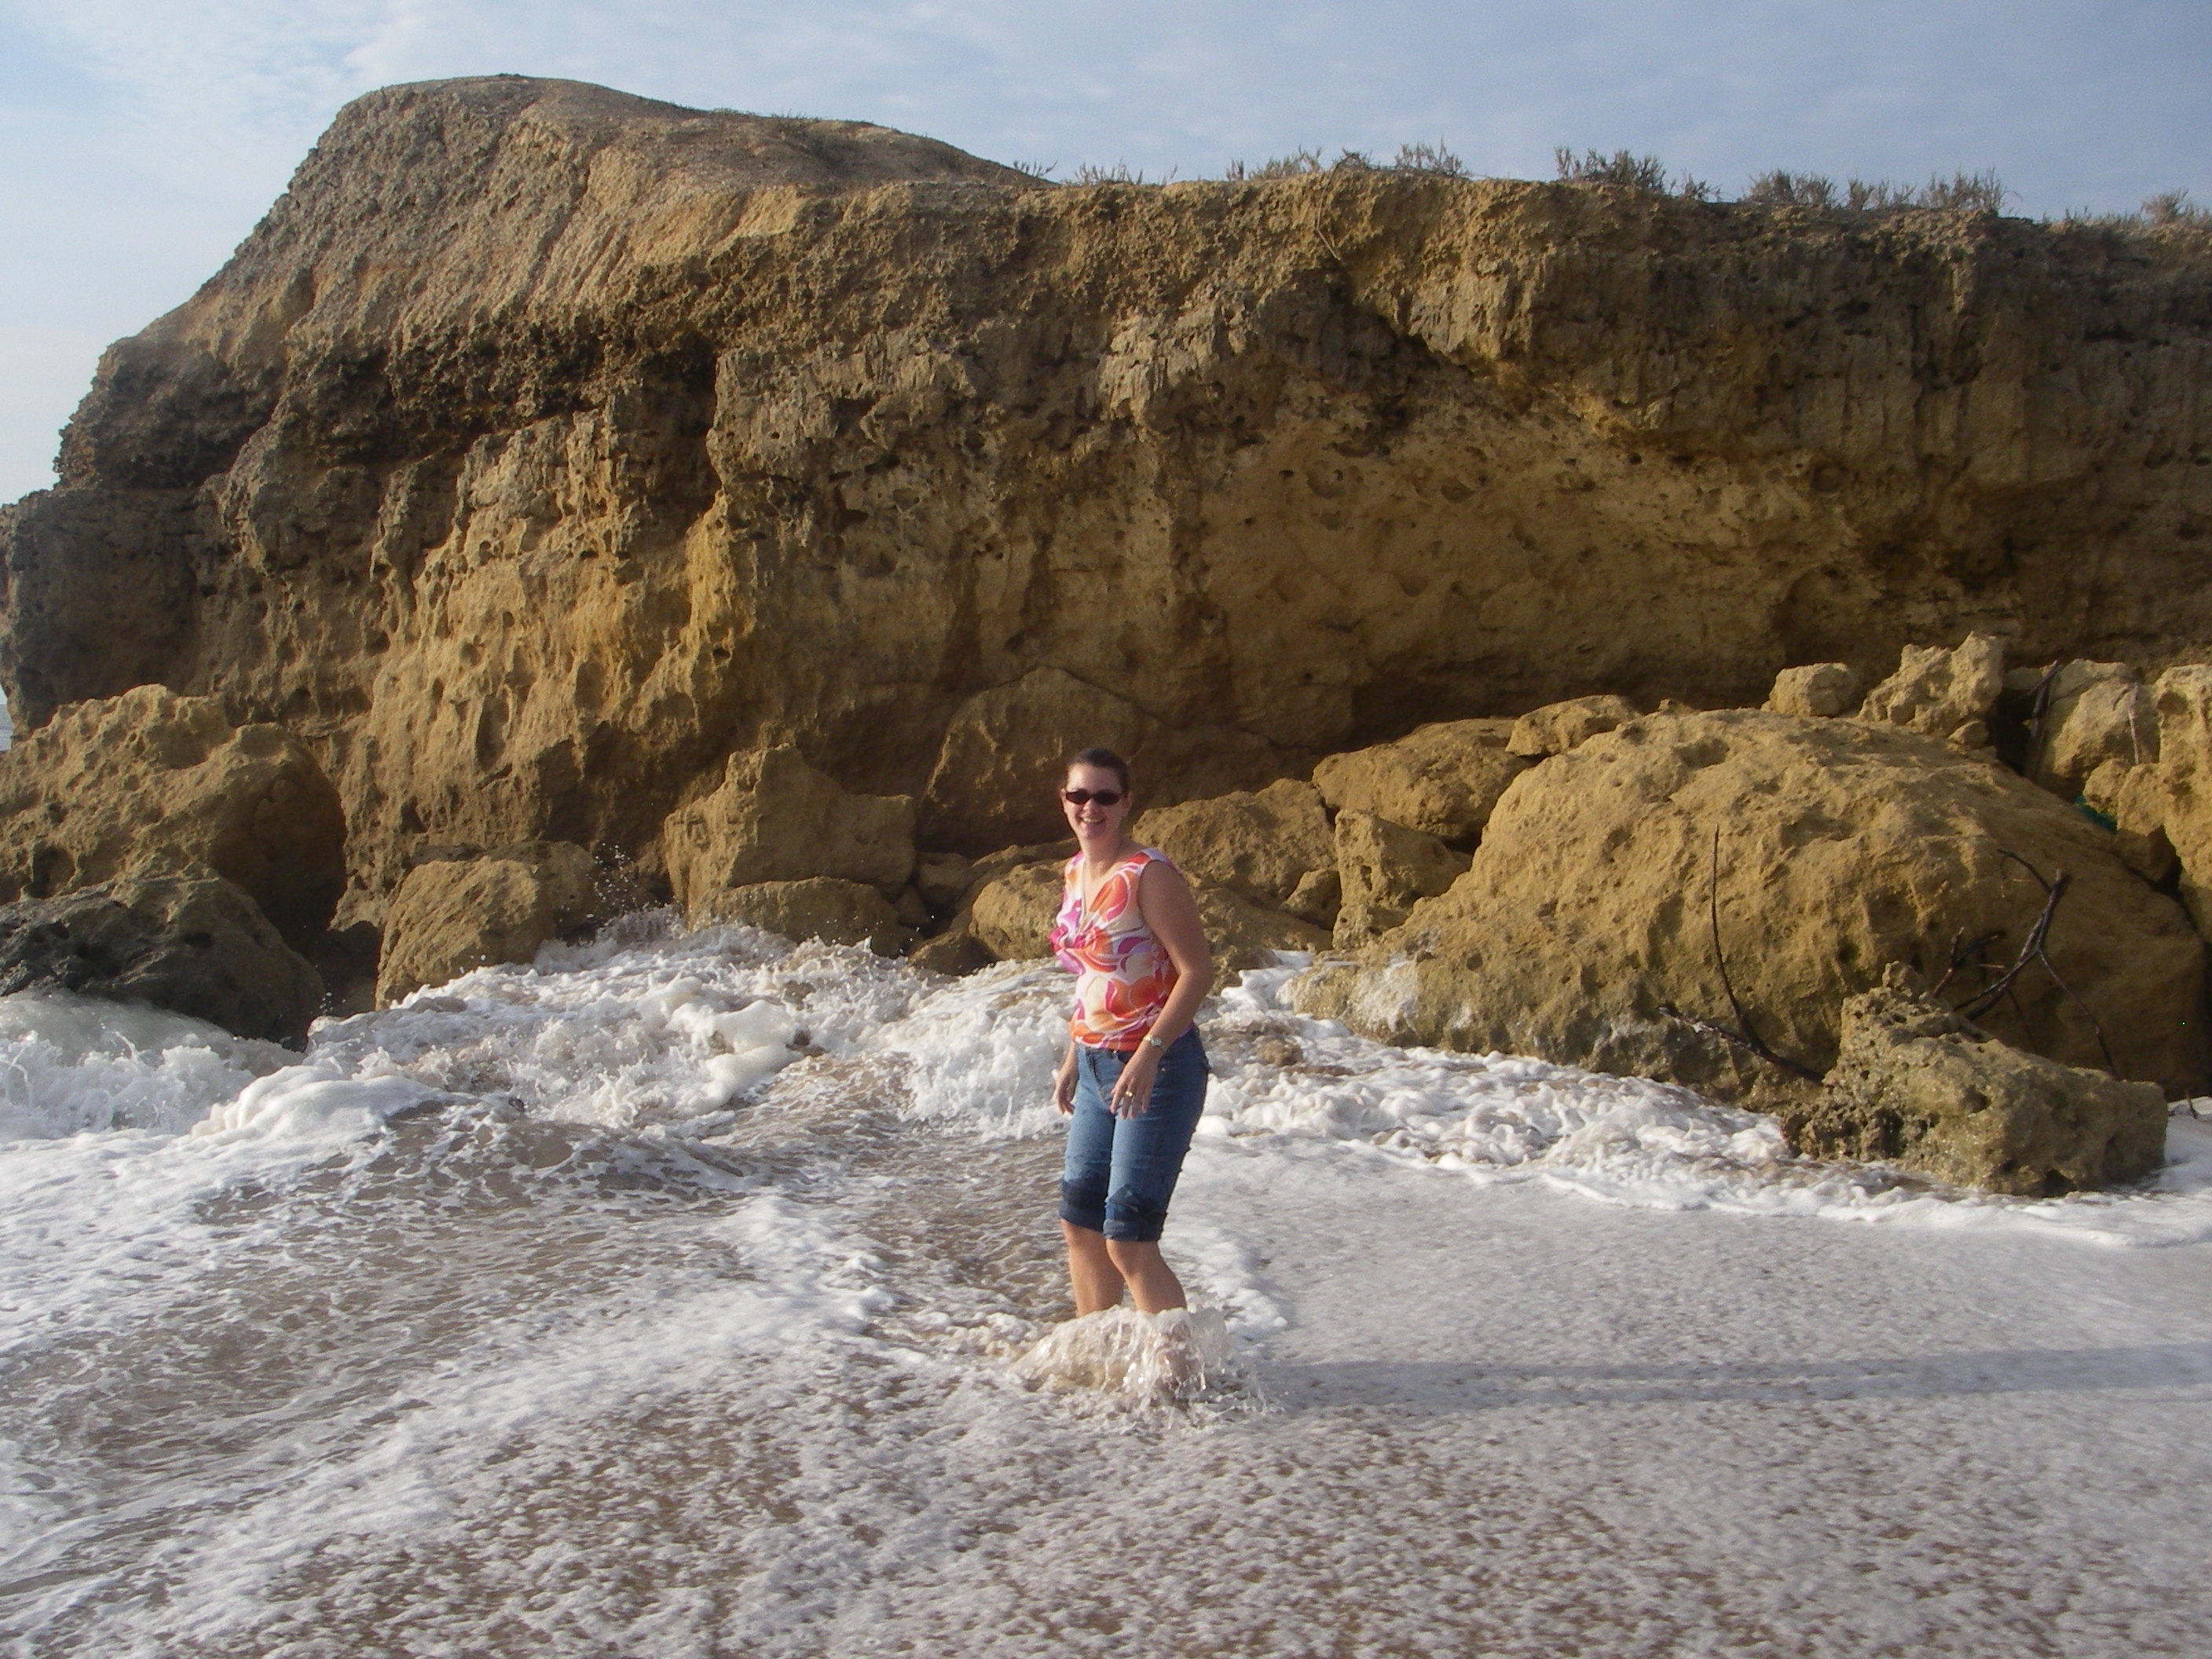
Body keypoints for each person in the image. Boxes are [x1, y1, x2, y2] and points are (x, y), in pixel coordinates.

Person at [1048, 746, 1215, 1317]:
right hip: (1096, 1065)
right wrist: (1075, 1055)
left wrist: (1148, 1054)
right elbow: (1096, 979)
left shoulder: (1148, 874)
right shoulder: (1075, 872)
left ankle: (1179, 1380)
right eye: (1079, 795)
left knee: (1130, 1239)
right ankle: (1099, 1355)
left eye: (1104, 797)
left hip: (1157, 1071)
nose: (1090, 808)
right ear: (1064, 801)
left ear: (1125, 804)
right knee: (1080, 1225)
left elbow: (1197, 972)